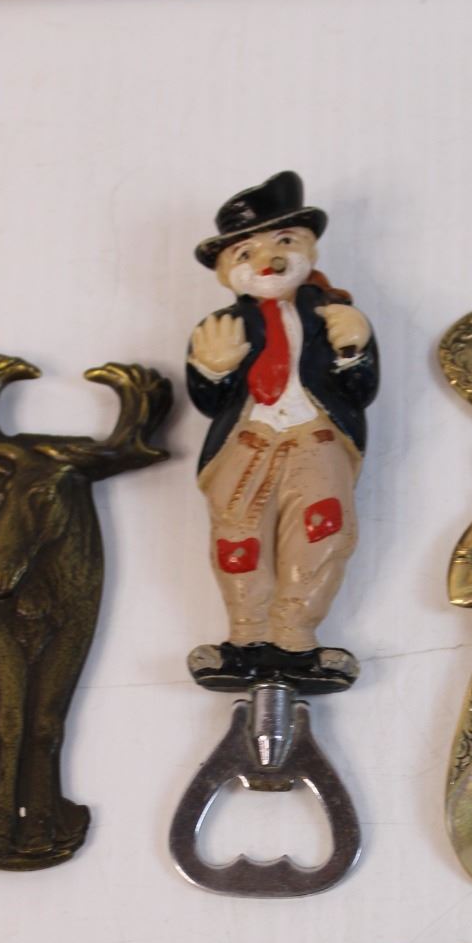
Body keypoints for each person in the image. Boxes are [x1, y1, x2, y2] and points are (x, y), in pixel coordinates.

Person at [185, 170, 379, 685]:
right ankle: (246, 639)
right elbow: (208, 402)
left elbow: (361, 390)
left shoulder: (334, 316)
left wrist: (353, 351)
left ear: (308, 249)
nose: (267, 261)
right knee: (238, 537)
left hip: (315, 440)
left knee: (321, 533)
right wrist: (212, 370)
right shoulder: (221, 327)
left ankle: (295, 640)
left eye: (284, 242)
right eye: (245, 252)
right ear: (226, 271)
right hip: (247, 445)